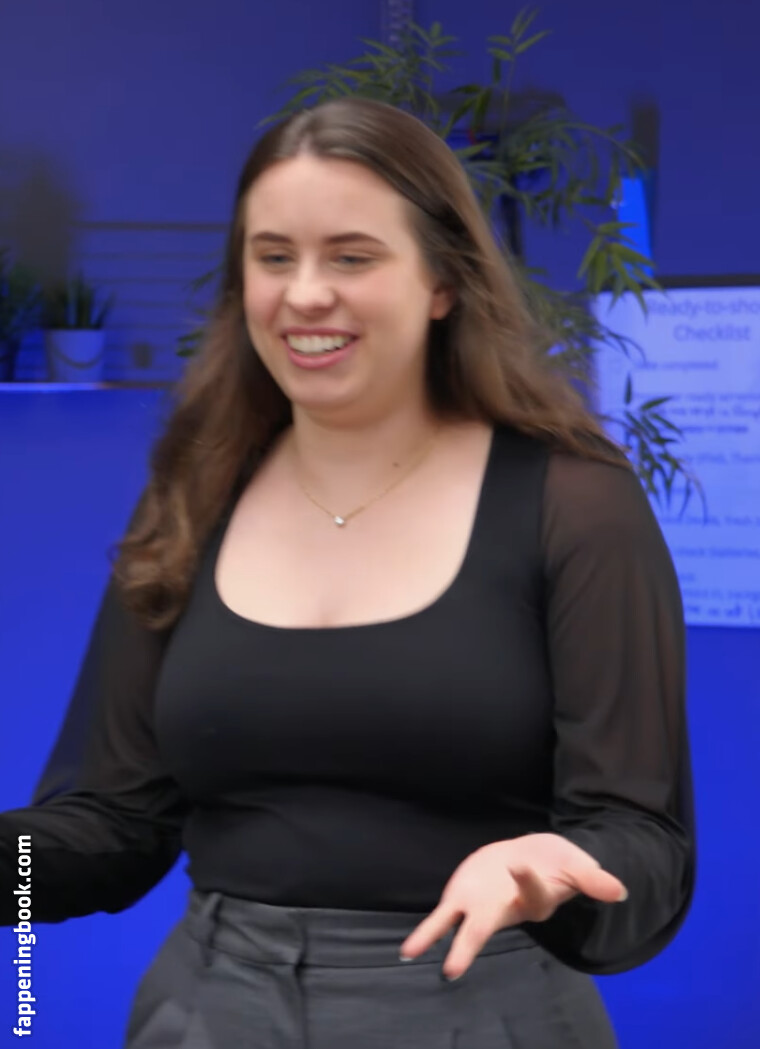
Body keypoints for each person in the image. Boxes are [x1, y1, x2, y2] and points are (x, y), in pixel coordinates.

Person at [0, 97, 694, 1048]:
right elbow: (113, 824)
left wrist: (549, 867)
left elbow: (642, 836)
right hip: (206, 1012)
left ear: (443, 281)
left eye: (352, 257)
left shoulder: (574, 501)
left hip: (484, 1005)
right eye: (273, 256)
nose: (304, 294)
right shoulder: (196, 492)